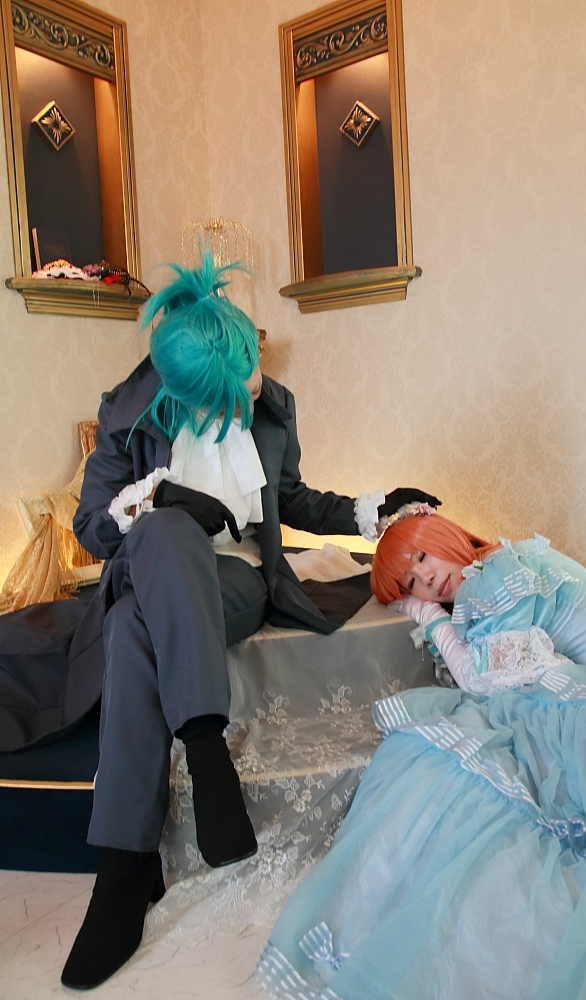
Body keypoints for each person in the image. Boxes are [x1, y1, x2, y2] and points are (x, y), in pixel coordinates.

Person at [61, 255, 440, 991]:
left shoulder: (271, 400)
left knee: (133, 627)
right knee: (161, 538)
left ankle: (123, 869)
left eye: (251, 375)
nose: (251, 392)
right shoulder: (124, 413)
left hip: (231, 580)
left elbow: (290, 500)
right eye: (232, 392)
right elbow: (90, 530)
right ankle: (207, 757)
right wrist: (156, 499)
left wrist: (372, 508)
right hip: (152, 566)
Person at [257, 507, 586, 1000]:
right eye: (413, 583)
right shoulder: (504, 561)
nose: (427, 579)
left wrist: (429, 617)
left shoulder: (492, 576)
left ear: (442, 531)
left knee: (447, 762)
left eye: (422, 557)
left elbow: (480, 677)